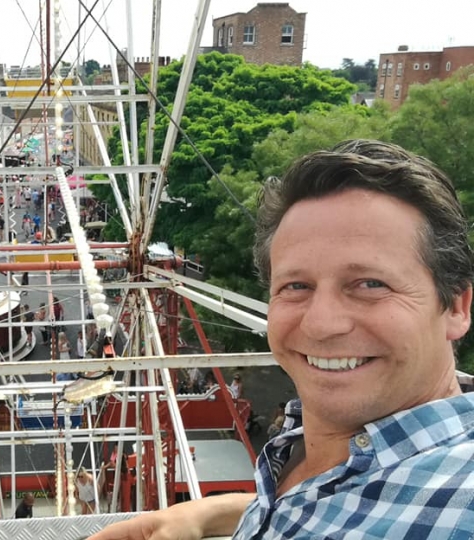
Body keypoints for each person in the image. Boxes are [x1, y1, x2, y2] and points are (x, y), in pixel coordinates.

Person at [88, 139, 474, 539]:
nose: (322, 324)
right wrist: (209, 514)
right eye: (296, 285)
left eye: (371, 284)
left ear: (457, 307)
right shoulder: (302, 457)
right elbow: (332, 509)